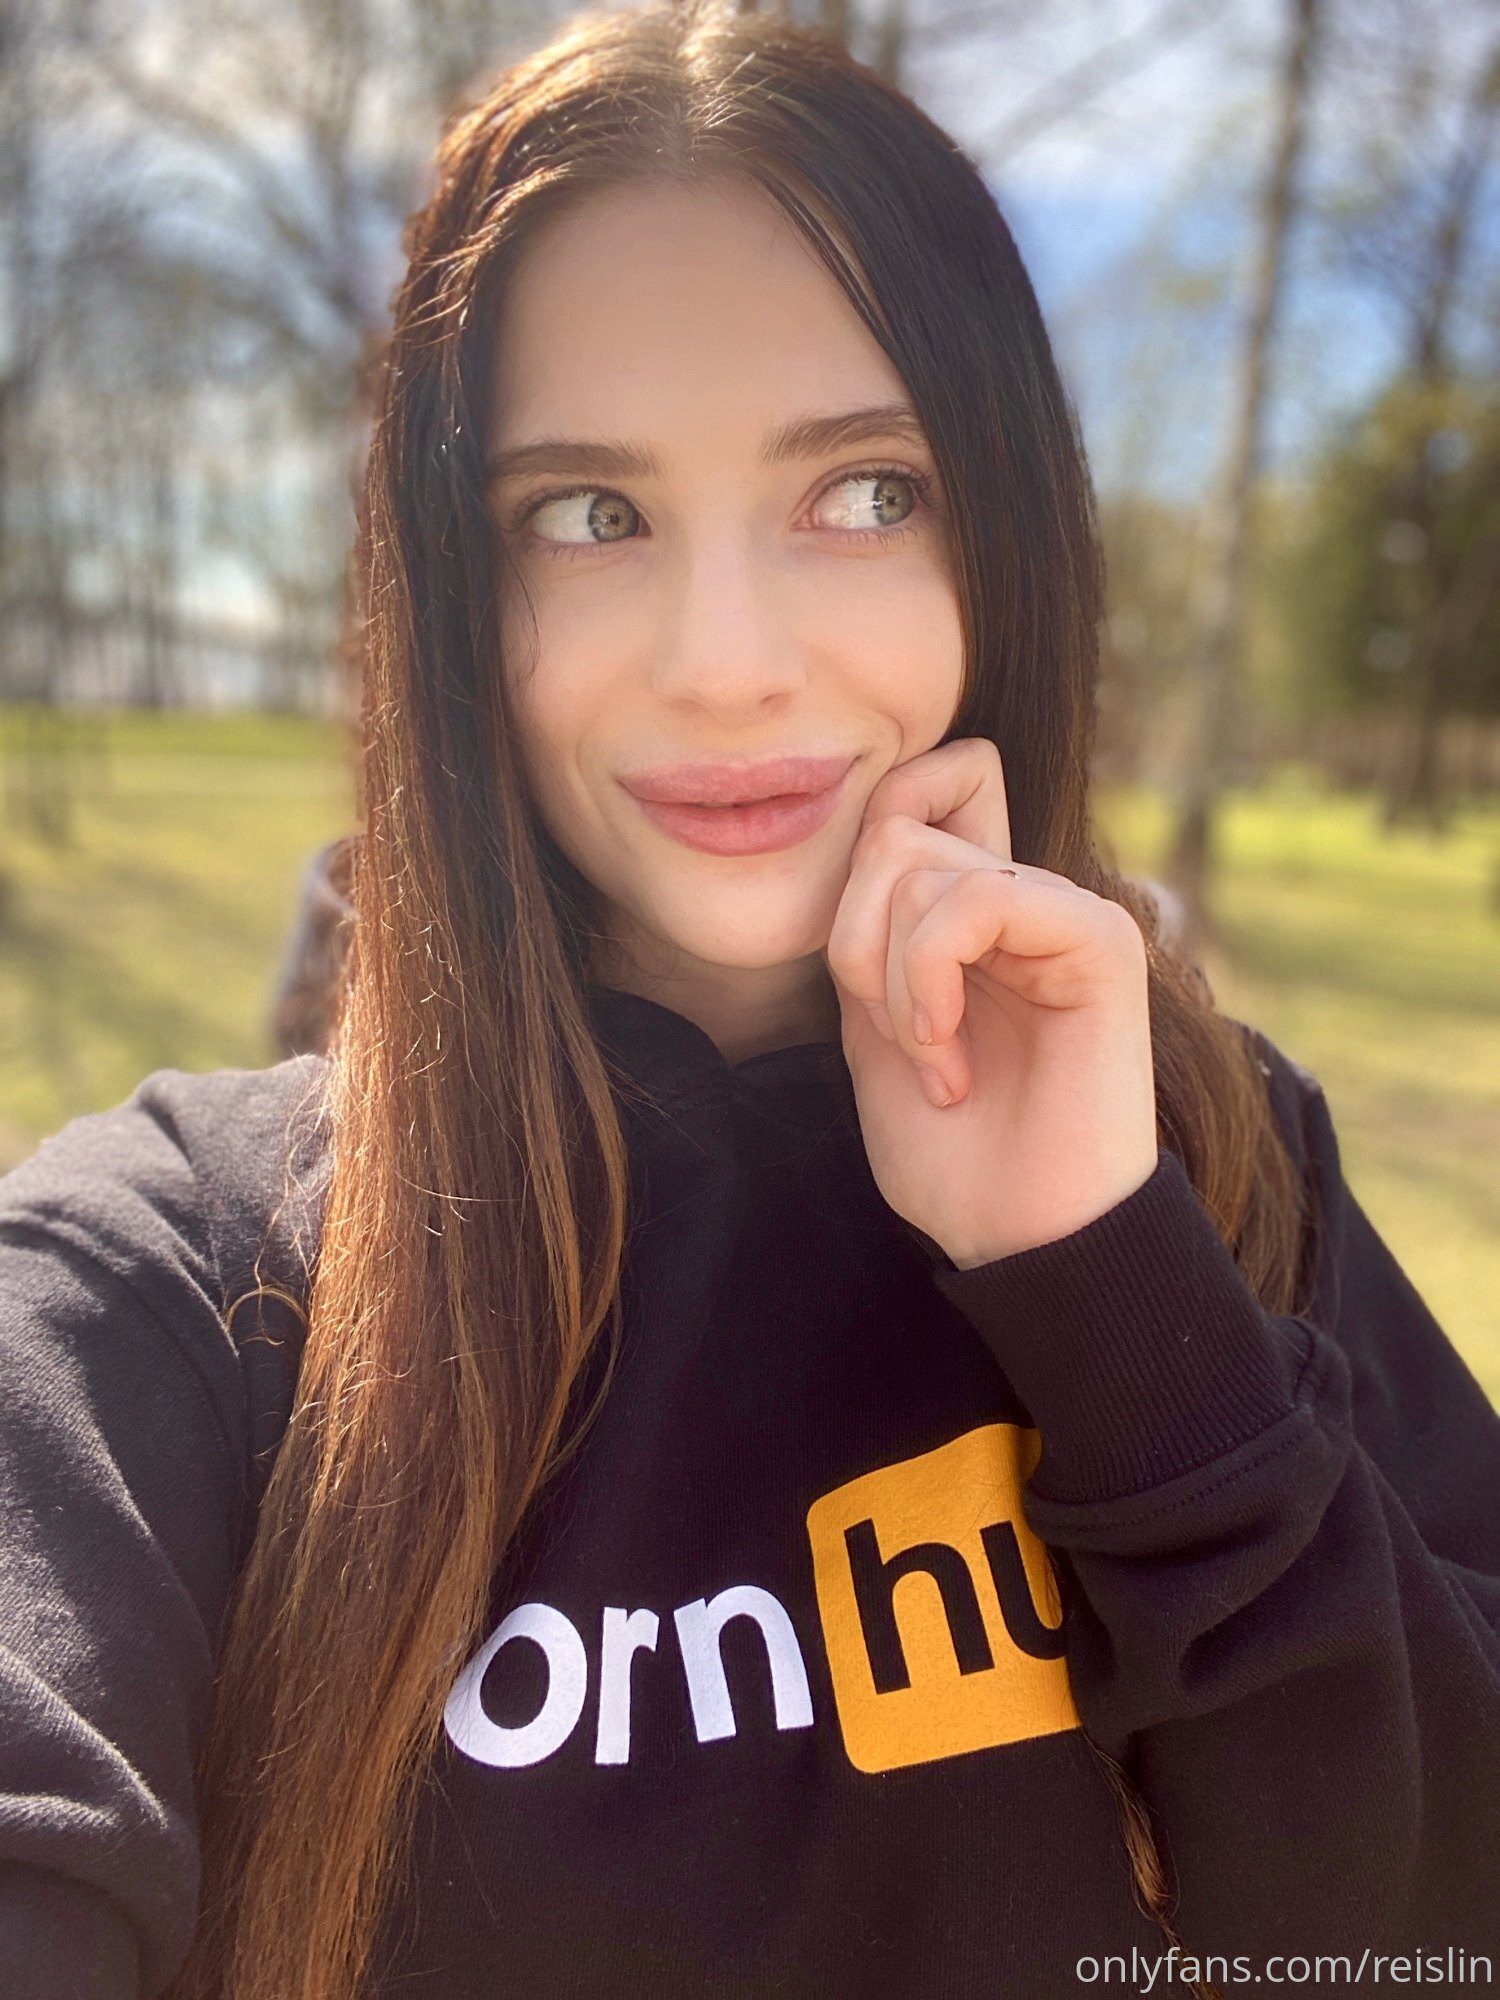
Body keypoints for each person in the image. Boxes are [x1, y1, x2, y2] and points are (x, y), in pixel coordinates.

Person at [1, 5, 1496, 1998]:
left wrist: (1115, 1284)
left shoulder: (1229, 1156)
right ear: (454, 593)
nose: (727, 663)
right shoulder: (181, 1291)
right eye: (589, 514)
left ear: (1008, 532)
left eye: (865, 490)